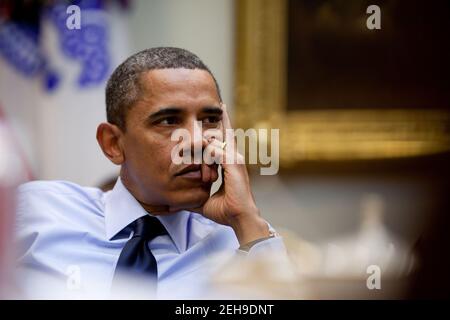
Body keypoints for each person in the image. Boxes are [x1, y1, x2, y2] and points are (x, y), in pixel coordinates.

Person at [14, 47, 285, 299]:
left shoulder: (244, 242)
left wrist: (247, 219)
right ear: (113, 144)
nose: (197, 141)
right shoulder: (39, 211)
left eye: (210, 120)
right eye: (169, 121)